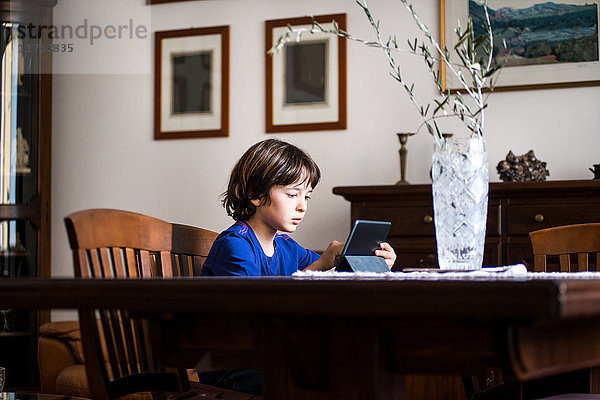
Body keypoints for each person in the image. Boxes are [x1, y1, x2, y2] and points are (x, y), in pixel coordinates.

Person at [197, 138, 396, 394]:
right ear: (255, 194)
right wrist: (320, 267)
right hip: (233, 366)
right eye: (292, 195)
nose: (302, 206)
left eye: (307, 197)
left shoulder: (286, 246)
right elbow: (253, 312)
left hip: (268, 356)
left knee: (356, 361)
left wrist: (358, 258)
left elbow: (316, 271)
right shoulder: (235, 245)